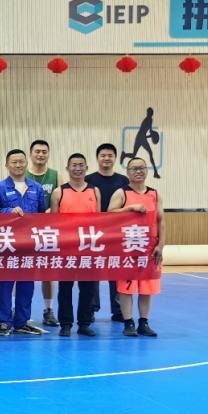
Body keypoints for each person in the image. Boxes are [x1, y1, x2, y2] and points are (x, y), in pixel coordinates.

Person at [0, 149, 47, 336]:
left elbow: (42, 213)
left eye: (21, 161)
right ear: (7, 165)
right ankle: (4, 321)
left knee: (27, 284)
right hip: (7, 243)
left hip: (29, 244)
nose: (18, 165)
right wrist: (9, 212)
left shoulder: (36, 188)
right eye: (14, 162)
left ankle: (22, 321)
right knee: (5, 284)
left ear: (26, 163)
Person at [108, 157, 163, 337]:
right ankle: (128, 322)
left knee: (147, 287)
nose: (138, 171)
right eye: (134, 168)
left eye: (142, 168)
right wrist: (130, 208)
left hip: (149, 249)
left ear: (147, 170)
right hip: (127, 248)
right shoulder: (121, 193)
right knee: (127, 288)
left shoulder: (154, 194)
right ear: (128, 172)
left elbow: (161, 221)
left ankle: (143, 322)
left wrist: (161, 245)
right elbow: (109, 215)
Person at [49, 153, 99, 337]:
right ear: (67, 168)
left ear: (86, 168)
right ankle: (66, 324)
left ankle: (84, 323)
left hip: (88, 247)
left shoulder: (94, 191)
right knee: (65, 288)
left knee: (88, 288)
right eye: (74, 165)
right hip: (66, 249)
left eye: (81, 165)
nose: (77, 168)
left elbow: (100, 220)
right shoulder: (59, 192)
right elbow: (53, 223)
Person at [85, 143, 129, 322]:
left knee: (116, 269)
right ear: (97, 158)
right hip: (93, 232)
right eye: (103, 155)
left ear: (115, 158)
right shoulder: (88, 180)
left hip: (116, 232)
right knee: (92, 271)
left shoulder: (123, 181)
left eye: (110, 155)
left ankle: (118, 309)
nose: (106, 158)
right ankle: (90, 308)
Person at [26, 139, 62, 327]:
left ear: (48, 154)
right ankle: (19, 309)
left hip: (48, 232)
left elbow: (62, 199)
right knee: (23, 272)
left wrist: (52, 211)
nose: (40, 154)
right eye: (37, 151)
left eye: (44, 151)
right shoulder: (23, 174)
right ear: (31, 154)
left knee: (48, 273)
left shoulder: (55, 175)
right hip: (26, 232)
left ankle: (48, 310)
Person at [120, 107, 161, 179]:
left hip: (140, 137)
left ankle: (124, 155)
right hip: (141, 137)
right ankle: (155, 172)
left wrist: (151, 136)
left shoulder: (149, 119)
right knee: (150, 153)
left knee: (134, 154)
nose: (150, 114)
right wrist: (154, 135)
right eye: (149, 112)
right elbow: (150, 131)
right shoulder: (148, 120)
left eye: (150, 113)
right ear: (148, 113)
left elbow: (147, 132)